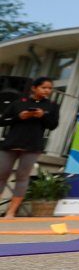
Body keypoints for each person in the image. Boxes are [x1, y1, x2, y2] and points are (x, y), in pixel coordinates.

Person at [0, 77, 60, 218]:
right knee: (1, 176)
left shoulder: (52, 105)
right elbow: (2, 121)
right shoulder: (19, 102)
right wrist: (19, 117)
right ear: (34, 88)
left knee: (22, 177)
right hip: (11, 144)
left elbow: (53, 125)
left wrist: (42, 116)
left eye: (49, 88)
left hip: (32, 146)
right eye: (43, 87)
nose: (47, 91)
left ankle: (11, 212)